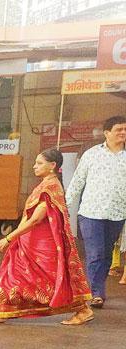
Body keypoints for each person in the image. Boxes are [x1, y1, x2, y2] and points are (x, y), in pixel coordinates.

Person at [0, 148, 93, 325]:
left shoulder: (51, 187)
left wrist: (9, 238)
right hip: (29, 243)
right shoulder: (45, 184)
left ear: (53, 165)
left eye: (39, 163)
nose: (34, 167)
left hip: (42, 246)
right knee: (14, 275)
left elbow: (35, 220)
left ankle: (83, 309)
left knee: (48, 281)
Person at [65, 114, 126, 307]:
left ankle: (98, 288)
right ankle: (95, 292)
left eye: (125, 130)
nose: (123, 133)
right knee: (96, 252)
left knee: (107, 253)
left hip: (117, 214)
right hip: (91, 213)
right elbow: (78, 181)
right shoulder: (92, 154)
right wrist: (64, 205)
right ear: (107, 133)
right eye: (118, 130)